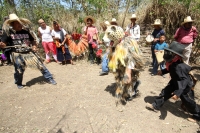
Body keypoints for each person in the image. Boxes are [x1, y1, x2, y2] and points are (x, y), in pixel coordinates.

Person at [146, 41, 200, 123]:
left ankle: (197, 116)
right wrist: (162, 71)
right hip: (175, 81)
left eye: (170, 52)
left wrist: (177, 93)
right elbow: (170, 70)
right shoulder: (173, 63)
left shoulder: (178, 66)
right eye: (168, 51)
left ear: (176, 55)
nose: (167, 53)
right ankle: (156, 105)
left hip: (185, 87)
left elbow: (183, 81)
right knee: (165, 92)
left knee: (188, 101)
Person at [0, 13, 57, 89]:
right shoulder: (8, 33)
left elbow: (32, 40)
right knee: (19, 70)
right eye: (17, 23)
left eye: (20, 23)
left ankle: (50, 78)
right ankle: (18, 82)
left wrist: (34, 46)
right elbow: (4, 43)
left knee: (41, 66)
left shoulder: (26, 31)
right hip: (17, 54)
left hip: (29, 53)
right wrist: (2, 44)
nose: (20, 25)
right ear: (13, 24)